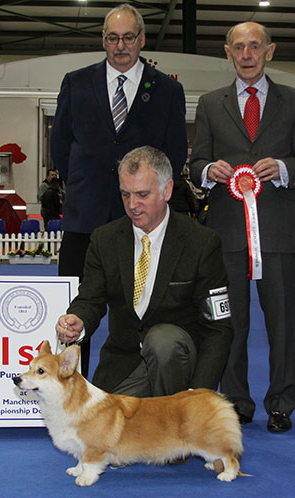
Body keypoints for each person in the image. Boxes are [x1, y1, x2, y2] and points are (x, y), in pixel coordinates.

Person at [51, 3, 187, 378]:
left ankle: (135, 386)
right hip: (84, 220)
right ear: (103, 40)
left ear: (142, 39)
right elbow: (60, 146)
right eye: (112, 37)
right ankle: (70, 392)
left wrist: (144, 197)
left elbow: (173, 154)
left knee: (141, 310)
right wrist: (81, 185)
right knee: (76, 313)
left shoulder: (168, 90)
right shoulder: (75, 83)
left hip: (141, 224)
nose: (120, 45)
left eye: (128, 37)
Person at [56, 146, 233, 399]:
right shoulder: (104, 239)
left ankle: (175, 422)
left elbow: (218, 329)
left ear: (167, 190)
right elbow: (90, 299)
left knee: (162, 341)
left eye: (142, 194)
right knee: (99, 434)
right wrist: (78, 321)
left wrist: (200, 393)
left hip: (178, 366)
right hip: (123, 364)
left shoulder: (202, 243)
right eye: (125, 194)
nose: (132, 205)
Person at [190, 21, 295, 433]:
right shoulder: (210, 103)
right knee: (229, 322)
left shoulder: (292, 101)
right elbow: (196, 162)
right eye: (239, 47)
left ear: (269, 51)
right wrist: (208, 170)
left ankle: (282, 401)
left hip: (281, 230)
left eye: (255, 46)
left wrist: (286, 168)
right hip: (227, 230)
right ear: (228, 53)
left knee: (283, 323)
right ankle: (236, 401)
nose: (247, 54)